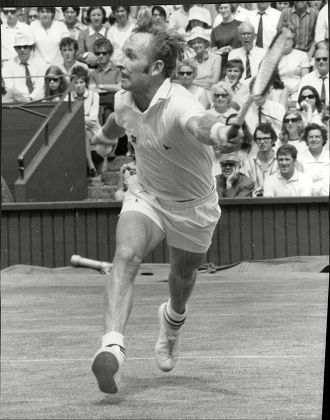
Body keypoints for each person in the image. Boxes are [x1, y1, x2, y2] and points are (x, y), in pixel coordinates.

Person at [90, 14, 242, 395]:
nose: (121, 62)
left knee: (182, 278)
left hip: (194, 206)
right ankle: (112, 348)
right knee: (126, 255)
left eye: (131, 56)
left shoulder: (180, 103)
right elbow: (114, 124)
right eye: (123, 53)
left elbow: (199, 124)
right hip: (148, 196)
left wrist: (221, 132)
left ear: (156, 68)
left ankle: (172, 321)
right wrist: (103, 140)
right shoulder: (126, 99)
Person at [71, 66, 106, 178]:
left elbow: (92, 120)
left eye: (81, 82)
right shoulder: (69, 97)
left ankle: (90, 165)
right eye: (76, 83)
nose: (79, 85)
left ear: (85, 82)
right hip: (76, 131)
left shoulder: (94, 95)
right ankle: (90, 166)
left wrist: (76, 117)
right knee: (81, 132)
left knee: (83, 132)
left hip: (94, 132)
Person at [2, 28, 46, 102]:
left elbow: (40, 88)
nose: (22, 50)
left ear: (30, 48)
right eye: (19, 47)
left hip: (36, 101)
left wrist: (29, 99)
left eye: (25, 47)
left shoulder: (41, 64)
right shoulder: (8, 65)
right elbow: (9, 88)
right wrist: (21, 99)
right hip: (15, 102)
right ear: (15, 49)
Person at [89, 37, 121, 122]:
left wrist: (101, 86)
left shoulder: (118, 70)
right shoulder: (93, 73)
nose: (101, 56)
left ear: (110, 54)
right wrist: (111, 88)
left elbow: (120, 88)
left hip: (114, 107)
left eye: (104, 53)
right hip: (98, 106)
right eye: (98, 53)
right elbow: (91, 89)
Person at [242, 123, 279, 197]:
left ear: (273, 140)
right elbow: (244, 190)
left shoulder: (280, 161)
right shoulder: (248, 164)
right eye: (259, 139)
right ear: (255, 141)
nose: (262, 142)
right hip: (254, 204)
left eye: (265, 138)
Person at [277, 26, 310, 102]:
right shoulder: (274, 58)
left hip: (299, 89)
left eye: (288, 39)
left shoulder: (302, 55)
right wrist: (283, 89)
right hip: (279, 90)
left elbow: (306, 79)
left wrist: (294, 90)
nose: (285, 41)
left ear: (293, 40)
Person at [187, 27, 221, 96]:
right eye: (194, 43)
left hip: (210, 93)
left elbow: (214, 81)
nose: (196, 45)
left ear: (205, 44)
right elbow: (185, 81)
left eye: (199, 42)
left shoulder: (216, 58)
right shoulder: (189, 61)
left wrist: (193, 82)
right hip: (192, 93)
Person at [210, 3, 241, 79]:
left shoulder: (241, 25)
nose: (223, 10)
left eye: (226, 8)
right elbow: (212, 52)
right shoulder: (215, 30)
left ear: (231, 8)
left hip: (239, 63)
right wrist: (221, 50)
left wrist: (233, 51)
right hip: (223, 66)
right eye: (221, 8)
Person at [298, 123, 329, 196]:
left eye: (317, 136)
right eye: (311, 137)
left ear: (323, 139)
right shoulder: (300, 158)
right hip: (307, 199)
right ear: (306, 139)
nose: (314, 139)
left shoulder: (328, 156)